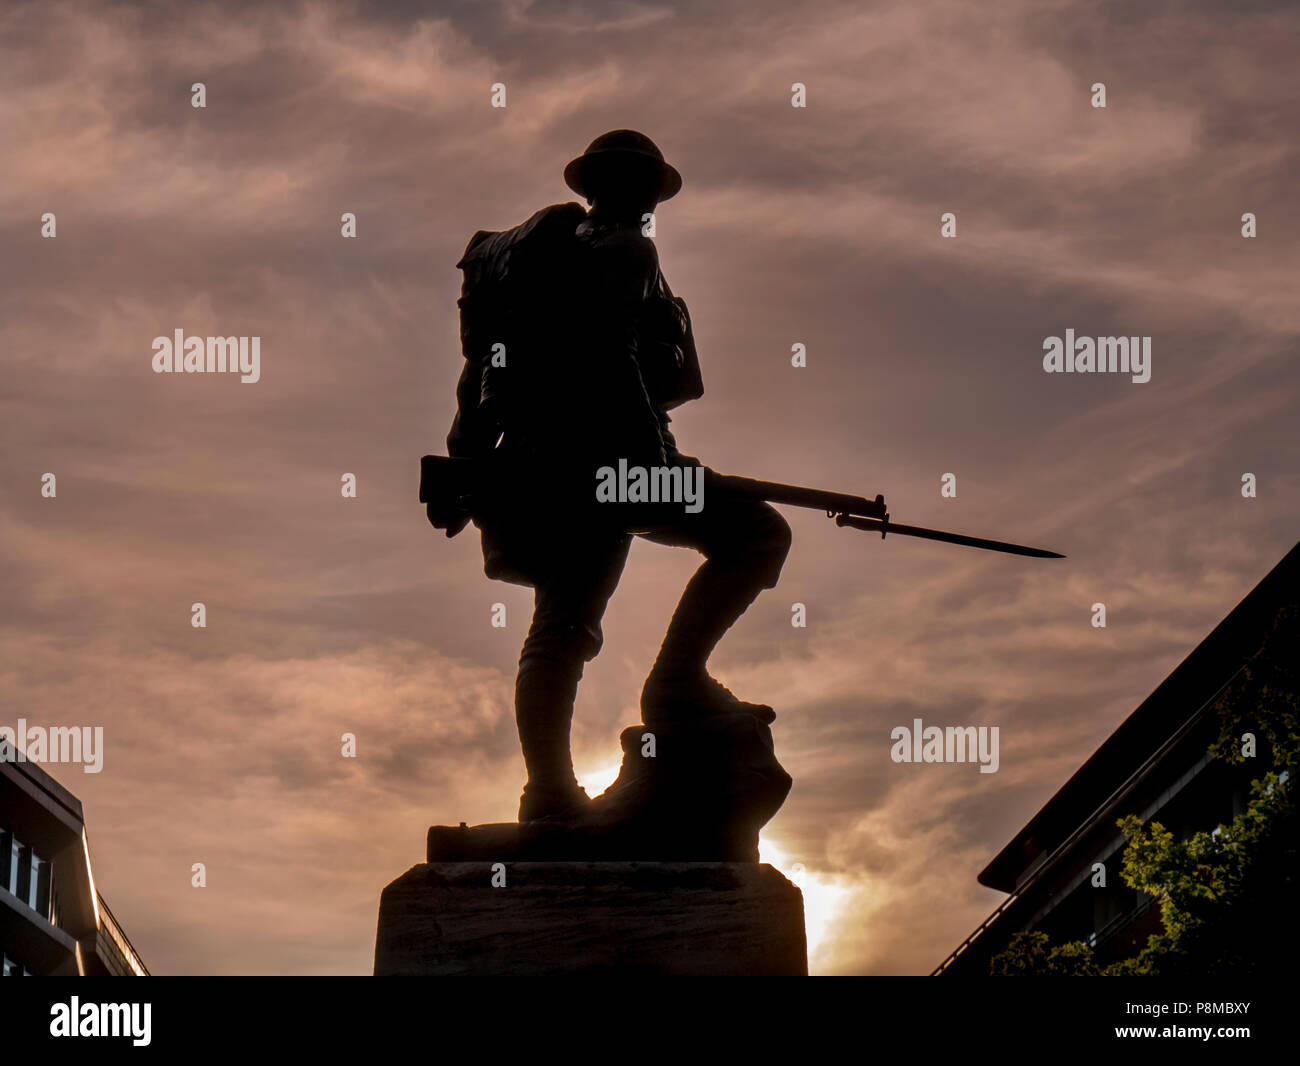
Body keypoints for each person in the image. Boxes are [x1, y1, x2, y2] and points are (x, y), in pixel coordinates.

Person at [434, 130, 791, 822]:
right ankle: (676, 685)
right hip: (618, 468)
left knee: (561, 627)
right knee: (756, 533)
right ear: (642, 194)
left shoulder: (531, 266)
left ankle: (548, 795)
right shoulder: (629, 250)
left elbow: (481, 370)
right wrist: (652, 468)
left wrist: (465, 461)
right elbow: (613, 356)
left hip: (549, 468)